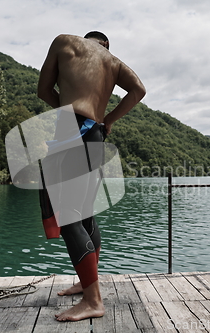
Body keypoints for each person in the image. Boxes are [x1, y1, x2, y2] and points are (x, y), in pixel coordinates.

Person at [37, 31, 146, 322]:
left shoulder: (64, 41)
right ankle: (87, 285)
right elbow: (138, 91)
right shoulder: (113, 61)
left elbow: (43, 91)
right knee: (84, 215)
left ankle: (93, 300)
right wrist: (108, 119)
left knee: (70, 217)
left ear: (88, 40)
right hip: (97, 136)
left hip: (73, 133)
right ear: (106, 44)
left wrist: (66, 111)